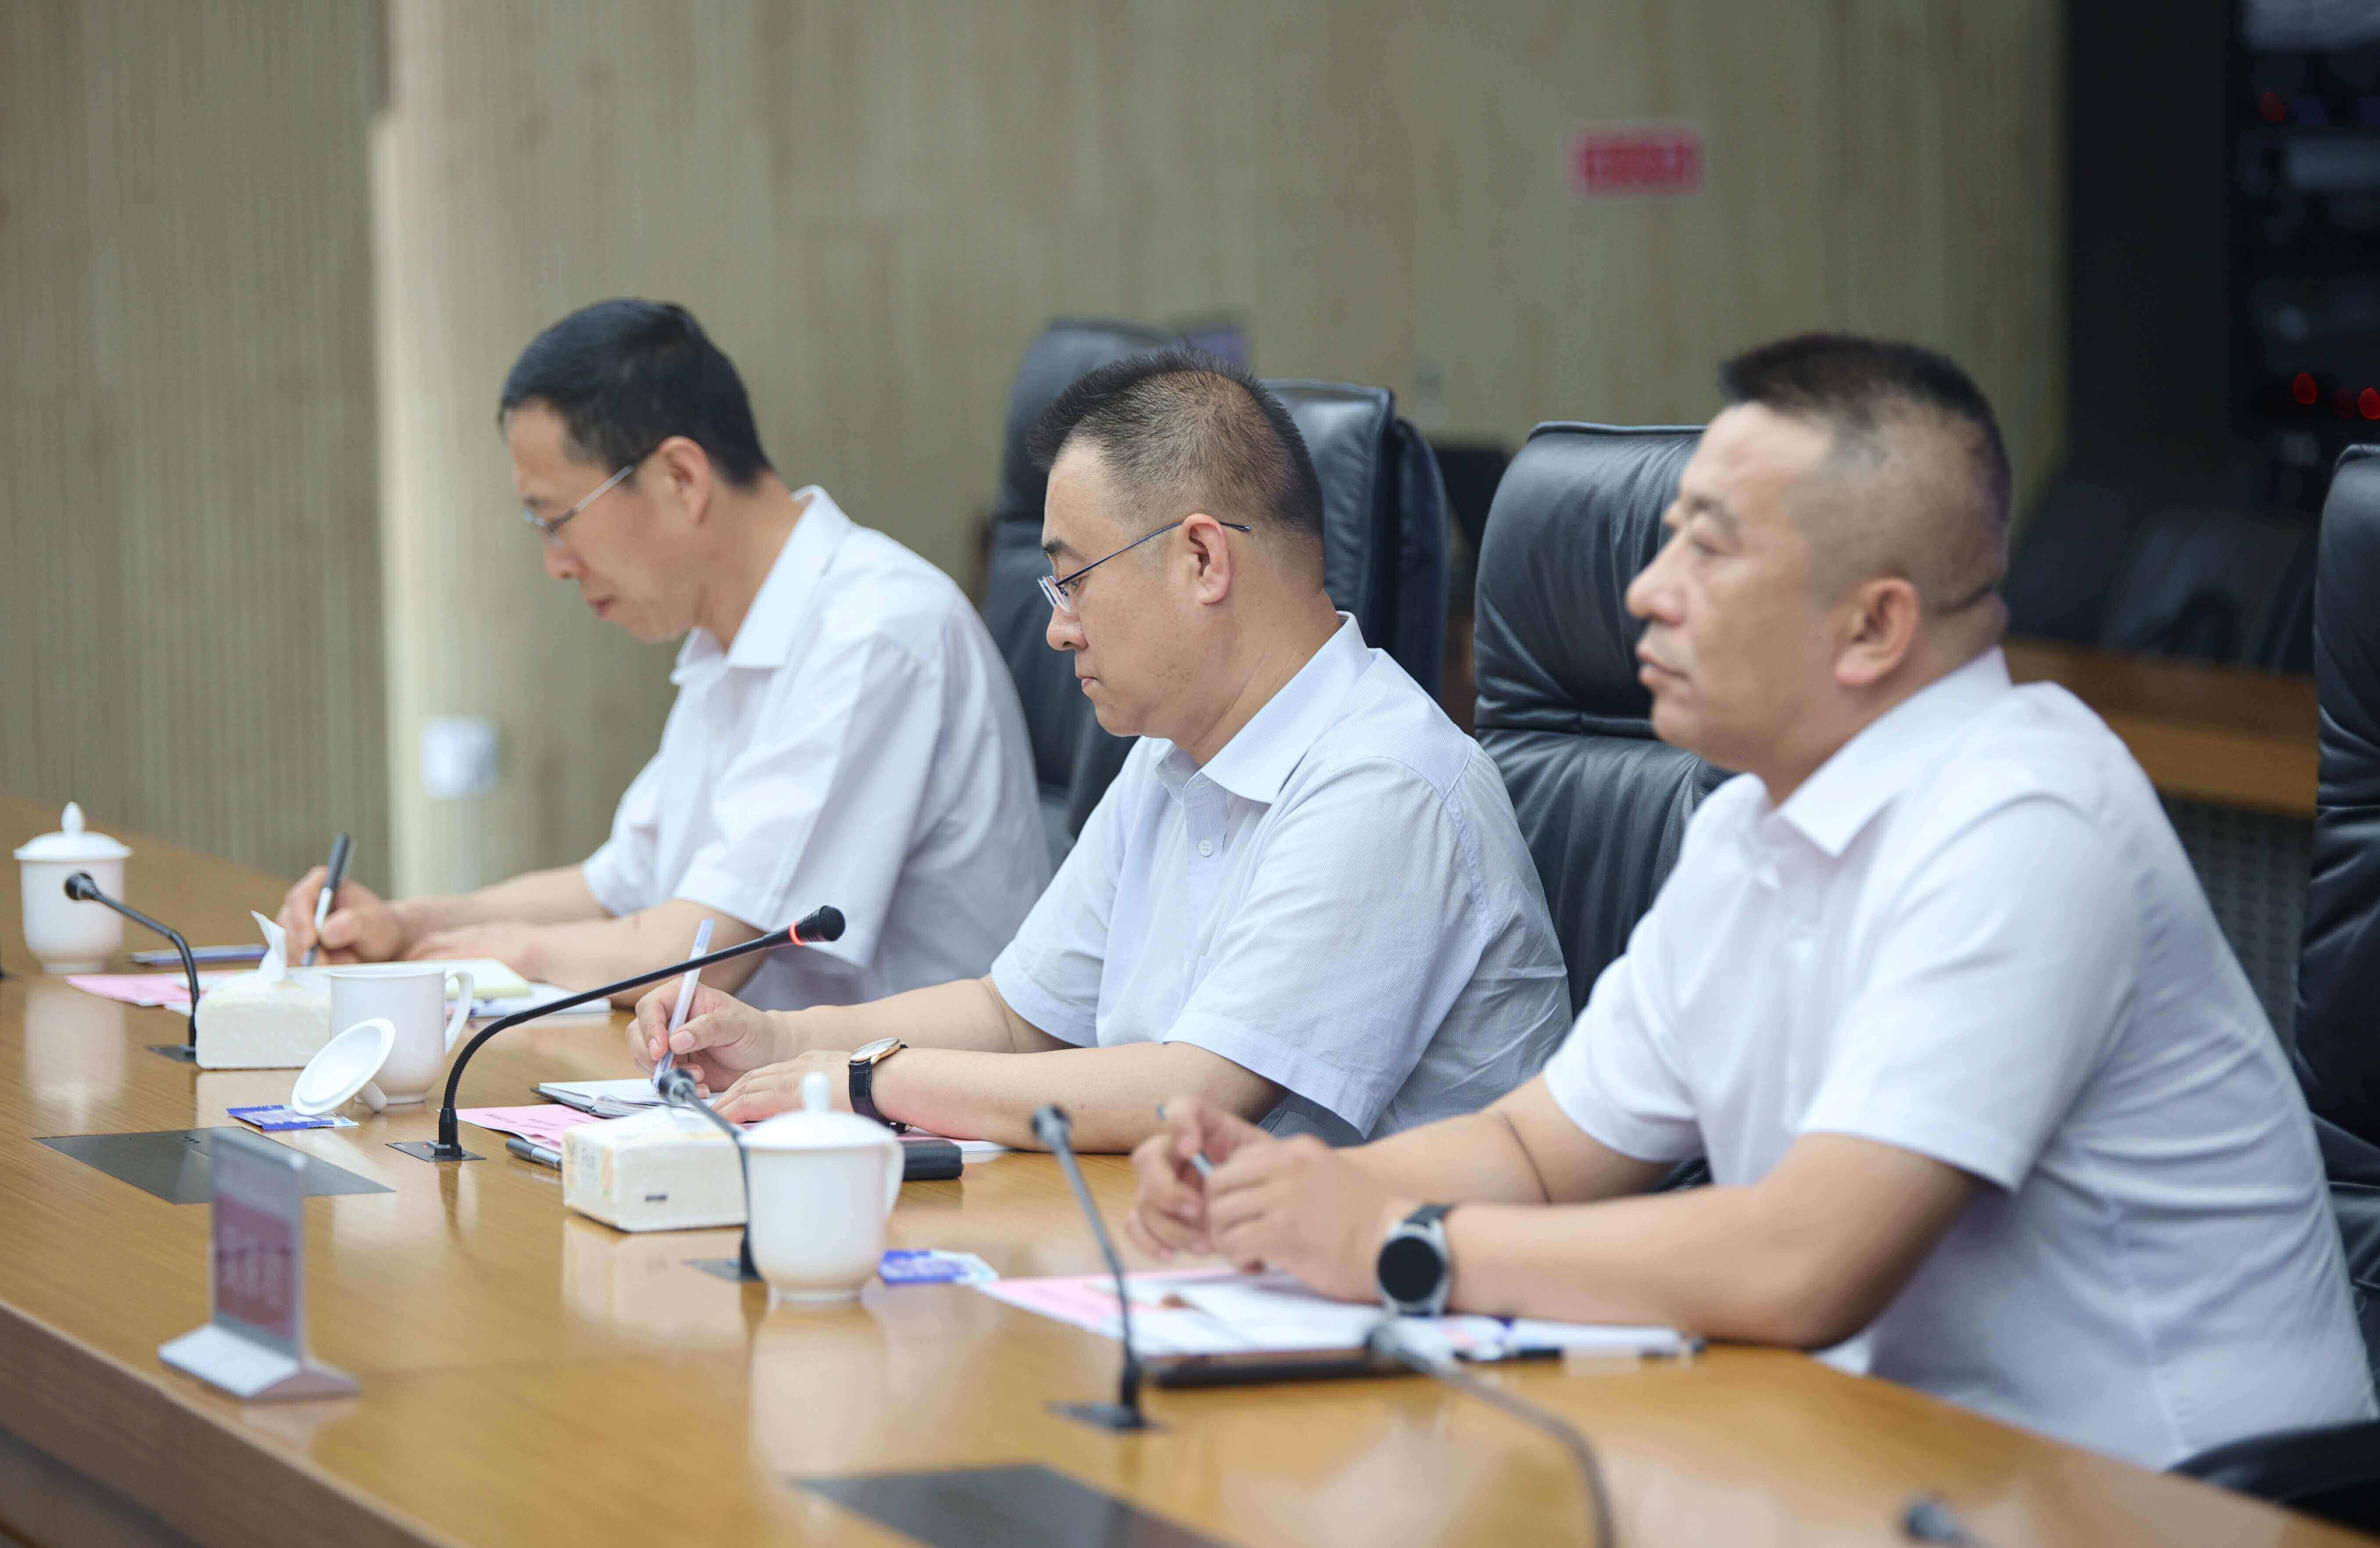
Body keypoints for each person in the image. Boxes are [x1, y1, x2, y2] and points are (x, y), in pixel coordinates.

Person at [1126, 334, 2377, 1468]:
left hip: (2165, 1502)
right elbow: (1536, 1152)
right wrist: (1285, 1194)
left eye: (1709, 549)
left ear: (1874, 626)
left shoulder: (2028, 819)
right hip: (1897, 1462)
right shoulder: (1747, 828)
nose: (1647, 590)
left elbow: (1806, 1262)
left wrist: (1404, 1244)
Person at [631, 350, 1570, 1151]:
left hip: (1374, 1295)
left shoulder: (1383, 779)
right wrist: (782, 1040)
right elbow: (1015, 1016)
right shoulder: (1170, 759)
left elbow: (1192, 1094)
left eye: (1072, 581)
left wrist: (866, 1083)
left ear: (1202, 559)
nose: (1058, 630)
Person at [279, 299, 1050, 1008]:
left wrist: (491, 954)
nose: (556, 564)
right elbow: (616, 888)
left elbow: (697, 955)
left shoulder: (874, 632)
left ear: (681, 477)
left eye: (557, 520)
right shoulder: (729, 640)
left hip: (906, 1108)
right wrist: (407, 924)